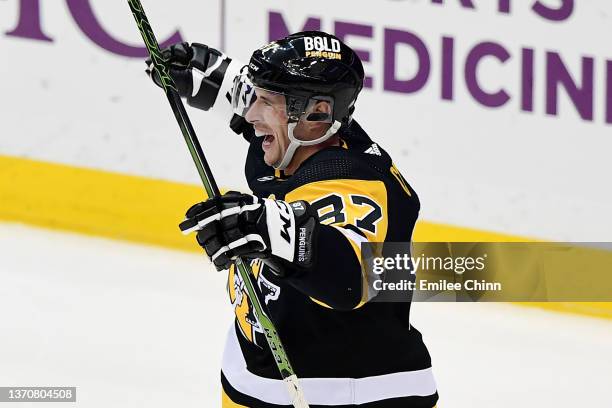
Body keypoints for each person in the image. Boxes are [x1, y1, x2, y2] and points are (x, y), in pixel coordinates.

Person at [148, 31, 438, 408]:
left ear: (315, 114)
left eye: (266, 103)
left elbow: (350, 279)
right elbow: (249, 101)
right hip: (259, 376)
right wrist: (210, 77)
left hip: (341, 394)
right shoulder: (302, 136)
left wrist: (270, 228)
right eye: (256, 97)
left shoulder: (353, 183)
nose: (252, 114)